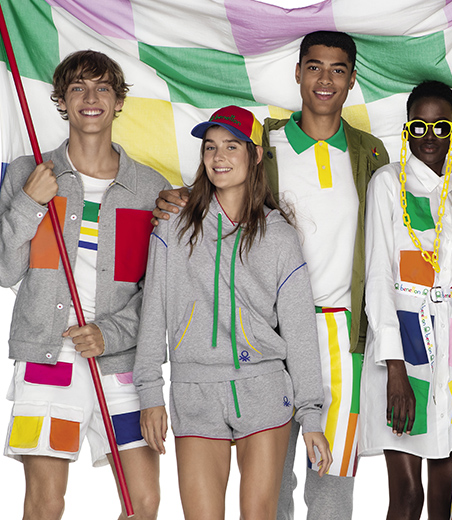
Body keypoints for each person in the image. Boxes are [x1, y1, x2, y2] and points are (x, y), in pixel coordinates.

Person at [153, 31, 389, 520]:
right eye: (314, 67)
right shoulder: (267, 141)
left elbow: (406, 198)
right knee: (272, 486)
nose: (325, 79)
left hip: (344, 333)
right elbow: (224, 185)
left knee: (332, 478)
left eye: (338, 70)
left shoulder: (371, 153)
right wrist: (174, 198)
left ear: (352, 80)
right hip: (269, 336)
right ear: (298, 72)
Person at [133, 106, 332, 520]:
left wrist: (311, 415)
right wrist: (150, 393)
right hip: (195, 391)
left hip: (263, 387)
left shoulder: (279, 235)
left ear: (255, 154)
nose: (218, 157)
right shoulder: (173, 225)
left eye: (231, 146)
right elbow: (153, 312)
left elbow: (299, 328)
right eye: (210, 147)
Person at [0, 50, 169, 520]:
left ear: (119, 101)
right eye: (78, 88)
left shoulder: (150, 188)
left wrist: (108, 333)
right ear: (61, 100)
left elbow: (158, 293)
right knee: (45, 503)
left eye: (102, 88)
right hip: (46, 359)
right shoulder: (29, 173)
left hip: (121, 363)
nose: (90, 98)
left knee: (143, 503)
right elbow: (4, 271)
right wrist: (30, 204)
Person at [360, 81, 452, 520]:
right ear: (406, 129)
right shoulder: (389, 183)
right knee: (408, 497)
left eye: (441, 126)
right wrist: (395, 369)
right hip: (403, 347)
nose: (429, 135)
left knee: (446, 500)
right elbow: (378, 277)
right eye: (418, 126)